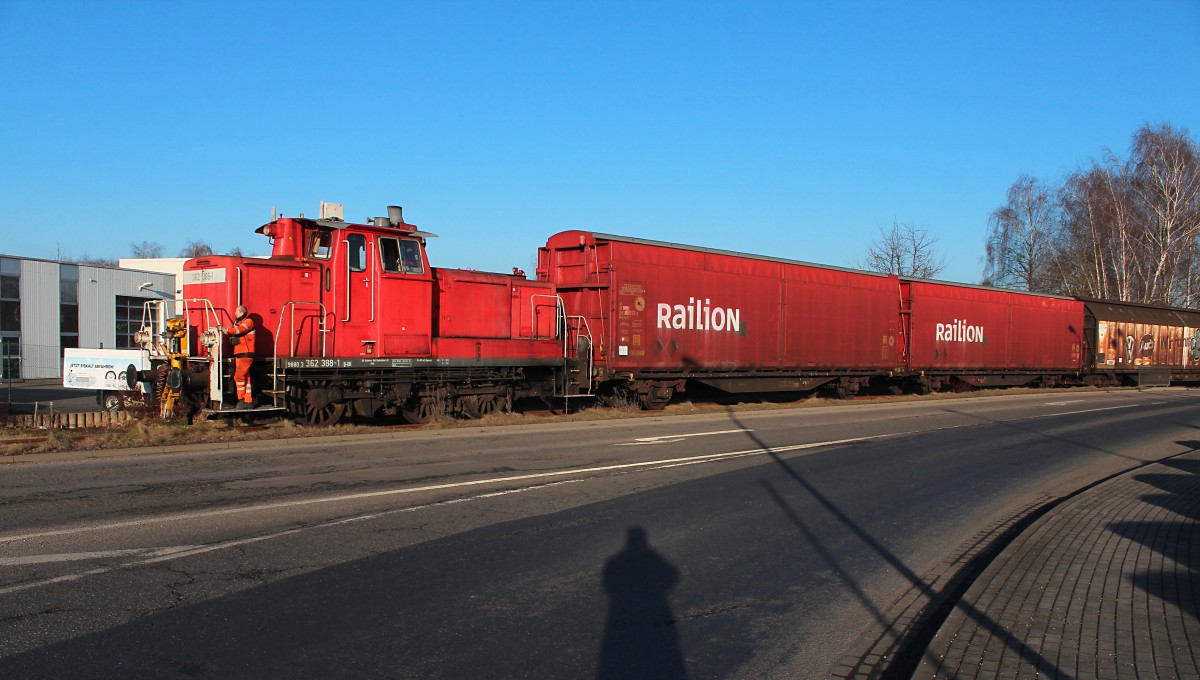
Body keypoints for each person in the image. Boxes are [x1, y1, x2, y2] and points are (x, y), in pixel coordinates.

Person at [222, 305, 256, 409]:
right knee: (246, 377)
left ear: (241, 312)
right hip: (241, 353)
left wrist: (227, 329)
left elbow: (240, 330)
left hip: (245, 353)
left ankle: (241, 399)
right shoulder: (238, 323)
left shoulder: (248, 322)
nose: (234, 313)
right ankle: (248, 400)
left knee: (239, 377)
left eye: (236, 311)